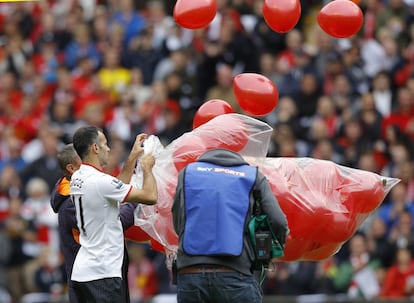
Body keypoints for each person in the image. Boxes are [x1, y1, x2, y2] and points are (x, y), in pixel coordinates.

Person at [172, 148, 289, 303]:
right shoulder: (252, 176)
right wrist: (271, 250)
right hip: (235, 273)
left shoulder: (187, 173)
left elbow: (177, 219)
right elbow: (278, 221)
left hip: (190, 273)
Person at [69, 126, 157, 303]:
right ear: (95, 148)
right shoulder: (101, 182)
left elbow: (115, 189)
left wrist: (131, 158)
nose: (108, 148)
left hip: (83, 271)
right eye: (105, 143)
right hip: (103, 273)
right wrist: (147, 168)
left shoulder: (77, 177)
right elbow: (150, 196)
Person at [50, 143, 143, 302]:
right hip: (94, 280)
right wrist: (136, 200)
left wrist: (132, 161)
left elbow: (114, 198)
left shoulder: (84, 189)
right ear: (72, 169)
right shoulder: (71, 202)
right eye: (85, 160)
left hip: (101, 274)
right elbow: (115, 221)